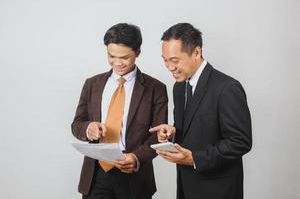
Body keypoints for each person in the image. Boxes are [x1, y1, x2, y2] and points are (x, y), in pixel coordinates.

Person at [149, 23, 252, 199]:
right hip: (186, 188)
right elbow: (191, 126)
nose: (170, 67)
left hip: (219, 191)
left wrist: (195, 159)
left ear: (196, 53)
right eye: (165, 60)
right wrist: (173, 132)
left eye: (174, 60)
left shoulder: (227, 87)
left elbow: (240, 141)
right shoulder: (179, 87)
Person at [72, 23, 168, 199]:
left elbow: (158, 136)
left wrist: (137, 158)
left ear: (138, 52)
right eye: (111, 56)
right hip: (96, 175)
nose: (117, 63)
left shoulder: (156, 89)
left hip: (135, 177)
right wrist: (88, 128)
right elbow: (77, 124)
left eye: (124, 57)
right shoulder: (92, 84)